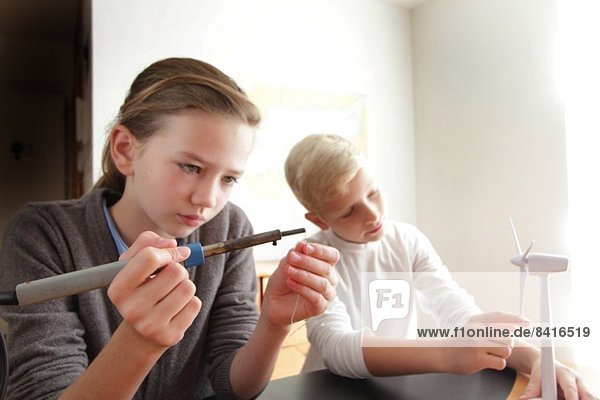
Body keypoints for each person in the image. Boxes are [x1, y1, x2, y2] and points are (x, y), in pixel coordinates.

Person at [0, 58, 339, 400]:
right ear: (125, 150)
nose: (207, 199)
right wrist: (140, 341)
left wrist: (274, 323)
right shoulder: (42, 235)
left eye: (229, 178)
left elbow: (234, 386)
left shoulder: (230, 226)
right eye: (190, 167)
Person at [284, 133, 595, 400]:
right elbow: (337, 348)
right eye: (350, 211)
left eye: (373, 193)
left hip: (394, 387)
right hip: (327, 389)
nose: (372, 215)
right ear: (319, 219)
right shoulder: (314, 258)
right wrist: (446, 353)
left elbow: (457, 312)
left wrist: (537, 357)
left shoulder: (407, 240)